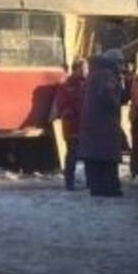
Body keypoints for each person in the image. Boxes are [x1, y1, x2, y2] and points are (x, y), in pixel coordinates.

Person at [78, 49, 126, 197]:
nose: (122, 66)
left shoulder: (94, 74)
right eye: (120, 63)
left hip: (91, 123)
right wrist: (118, 100)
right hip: (104, 125)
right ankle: (110, 188)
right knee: (107, 157)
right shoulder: (107, 76)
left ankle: (96, 186)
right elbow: (108, 97)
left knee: (94, 157)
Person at [52, 57, 88, 190]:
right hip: (72, 126)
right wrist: (70, 113)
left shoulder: (87, 84)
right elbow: (62, 104)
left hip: (85, 125)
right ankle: (69, 182)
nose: (86, 71)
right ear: (77, 69)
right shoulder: (66, 85)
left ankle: (89, 181)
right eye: (84, 69)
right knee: (72, 154)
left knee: (88, 155)